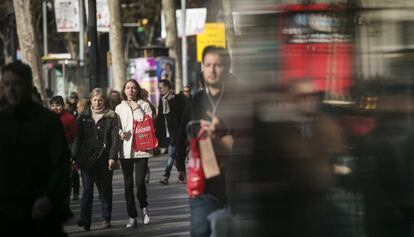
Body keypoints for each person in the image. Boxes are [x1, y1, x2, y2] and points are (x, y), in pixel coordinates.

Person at [0, 61, 71, 236]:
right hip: (6, 211)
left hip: (41, 212)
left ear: (28, 86)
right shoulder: (2, 121)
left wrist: (49, 196)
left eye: (17, 84)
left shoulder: (48, 122)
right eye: (6, 84)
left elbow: (60, 165)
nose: (11, 90)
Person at [189, 46, 235, 236]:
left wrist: (223, 131)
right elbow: (188, 133)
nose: (212, 70)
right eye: (208, 65)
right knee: (200, 231)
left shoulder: (238, 98)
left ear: (226, 67)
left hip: (235, 182)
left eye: (218, 65)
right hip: (204, 183)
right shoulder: (196, 100)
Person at [72, 88, 119, 231]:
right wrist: (74, 157)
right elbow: (77, 138)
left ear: (104, 101)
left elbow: (114, 139)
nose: (97, 102)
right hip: (87, 159)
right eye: (95, 100)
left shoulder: (111, 116)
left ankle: (106, 218)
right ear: (90, 100)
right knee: (87, 190)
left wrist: (112, 157)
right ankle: (85, 219)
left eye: (100, 100)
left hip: (104, 159)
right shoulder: (83, 116)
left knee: (105, 190)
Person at [115, 79, 153, 228]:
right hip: (125, 149)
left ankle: (144, 207)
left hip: (142, 149)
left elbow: (145, 121)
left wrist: (135, 106)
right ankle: (132, 216)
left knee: (140, 182)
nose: (130, 90)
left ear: (138, 90)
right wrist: (120, 133)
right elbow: (116, 126)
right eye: (128, 88)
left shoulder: (144, 105)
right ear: (124, 91)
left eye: (133, 88)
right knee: (128, 184)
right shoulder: (119, 107)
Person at [156, 79, 186, 185]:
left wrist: (171, 101)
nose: (159, 90)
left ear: (168, 87)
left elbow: (181, 115)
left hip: (176, 132)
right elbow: (160, 117)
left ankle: (166, 175)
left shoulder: (177, 98)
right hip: (167, 133)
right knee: (176, 155)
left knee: (172, 154)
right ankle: (182, 174)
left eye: (161, 87)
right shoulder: (162, 100)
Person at [49, 96, 79, 200]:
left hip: (68, 148)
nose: (55, 108)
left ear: (63, 106)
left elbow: (75, 137)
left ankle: (74, 192)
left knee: (71, 173)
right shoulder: (48, 117)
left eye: (57, 105)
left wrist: (74, 154)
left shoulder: (69, 118)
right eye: (52, 105)